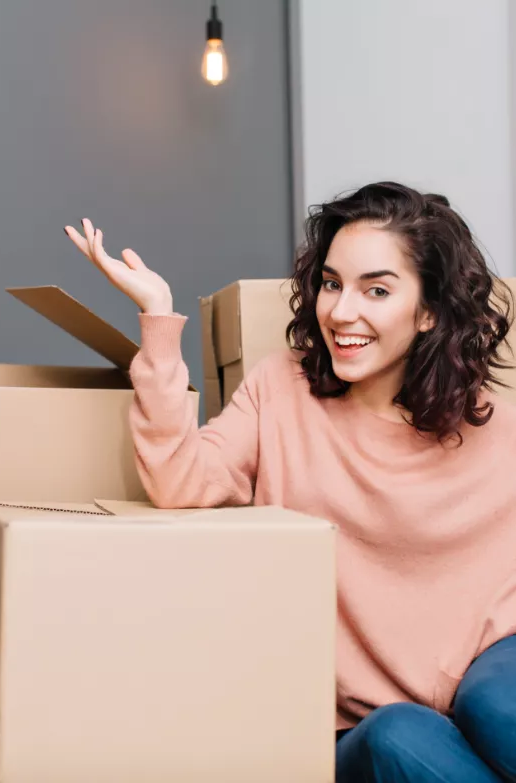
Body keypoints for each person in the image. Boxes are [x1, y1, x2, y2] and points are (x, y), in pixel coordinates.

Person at [65, 182, 516, 782]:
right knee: (398, 735)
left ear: (430, 308)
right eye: (332, 284)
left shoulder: (494, 421)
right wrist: (157, 316)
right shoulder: (282, 390)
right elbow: (180, 480)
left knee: (495, 702)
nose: (341, 312)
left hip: (493, 666)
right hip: (357, 721)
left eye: (376, 290)